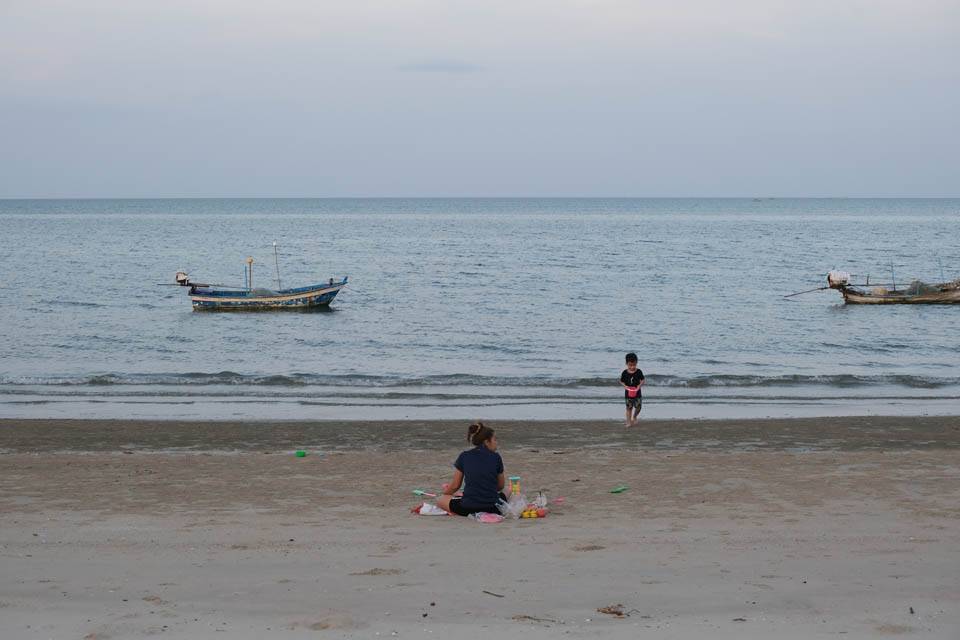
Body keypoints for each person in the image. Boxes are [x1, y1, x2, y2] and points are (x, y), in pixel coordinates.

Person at [437, 422, 508, 516]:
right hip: (493, 508)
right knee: (508, 490)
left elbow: (455, 486)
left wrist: (446, 494)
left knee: (440, 500)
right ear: (487, 442)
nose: (496, 443)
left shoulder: (464, 456)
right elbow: (500, 486)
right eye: (495, 439)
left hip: (468, 508)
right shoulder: (496, 457)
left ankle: (454, 508)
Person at [620, 352, 645, 427]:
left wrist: (639, 386)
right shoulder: (625, 372)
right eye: (630, 365)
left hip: (637, 392)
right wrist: (625, 386)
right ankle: (628, 422)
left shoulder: (639, 371)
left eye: (634, 365)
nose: (632, 367)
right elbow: (621, 381)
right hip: (628, 393)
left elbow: (643, 380)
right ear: (626, 363)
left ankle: (634, 416)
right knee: (629, 408)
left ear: (636, 363)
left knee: (638, 407)